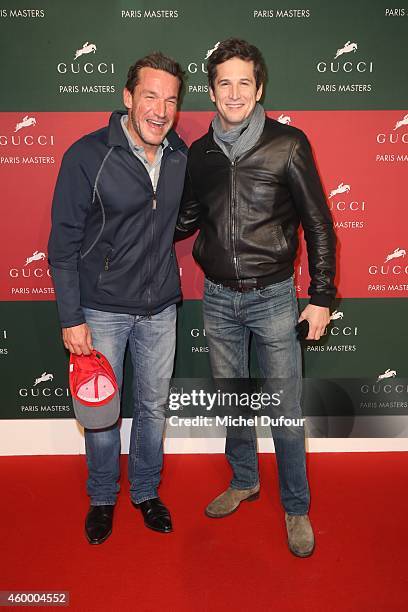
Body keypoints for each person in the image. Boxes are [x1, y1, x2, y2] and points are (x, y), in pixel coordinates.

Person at [176, 38, 336, 557]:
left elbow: (318, 223)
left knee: (286, 409)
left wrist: (322, 295)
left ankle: (295, 507)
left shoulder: (288, 143)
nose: (236, 91)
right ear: (212, 91)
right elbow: (186, 218)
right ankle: (244, 480)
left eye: (245, 81)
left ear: (259, 87)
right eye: (225, 82)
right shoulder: (199, 154)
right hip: (219, 298)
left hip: (274, 299)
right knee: (235, 403)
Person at [48, 52, 187, 544]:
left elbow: (176, 220)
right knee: (102, 411)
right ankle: (103, 497)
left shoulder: (179, 154)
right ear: (128, 97)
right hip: (101, 308)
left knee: (153, 407)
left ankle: (146, 491)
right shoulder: (87, 155)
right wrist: (71, 317)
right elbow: (62, 247)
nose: (160, 109)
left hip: (161, 307)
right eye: (150, 96)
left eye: (171, 99)